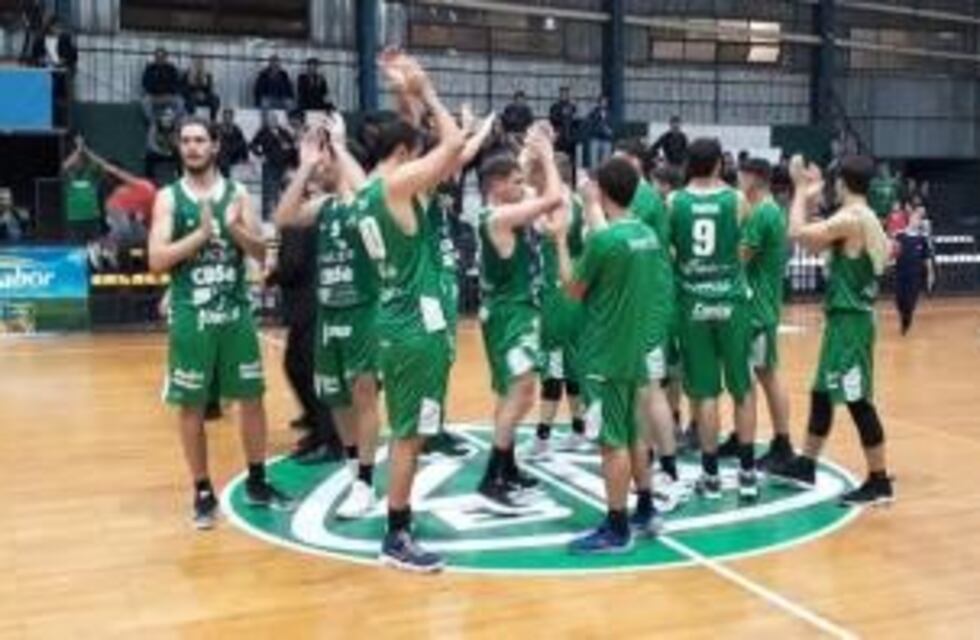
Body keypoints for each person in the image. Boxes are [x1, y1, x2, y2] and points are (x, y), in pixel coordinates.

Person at [148, 116, 294, 529]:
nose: (192, 147)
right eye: (186, 141)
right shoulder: (169, 198)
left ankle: (258, 480)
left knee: (252, 398)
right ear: (179, 148)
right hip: (192, 316)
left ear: (215, 146)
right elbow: (157, 260)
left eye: (200, 140)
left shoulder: (237, 194)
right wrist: (199, 236)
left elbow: (262, 255)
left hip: (234, 314)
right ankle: (202, 490)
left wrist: (232, 229)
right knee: (191, 404)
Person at [351, 50, 464, 570]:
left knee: (410, 430)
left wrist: (406, 94)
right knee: (410, 435)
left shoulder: (367, 189)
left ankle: (399, 520)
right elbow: (454, 145)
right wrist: (429, 91)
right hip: (415, 326)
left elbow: (419, 142)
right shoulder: (398, 185)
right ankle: (397, 535)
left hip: (395, 318)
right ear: (403, 152)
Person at [545, 157, 668, 553]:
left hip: (603, 355)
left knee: (610, 441)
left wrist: (560, 240)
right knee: (632, 431)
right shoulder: (645, 234)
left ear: (601, 191)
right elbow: (611, 248)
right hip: (634, 349)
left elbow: (571, 288)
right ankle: (645, 507)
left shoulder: (604, 241)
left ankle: (616, 527)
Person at [770, 155, 894, 506]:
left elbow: (797, 234)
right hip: (844, 320)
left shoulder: (853, 218)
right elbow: (815, 239)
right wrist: (809, 197)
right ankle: (806, 464)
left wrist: (799, 190)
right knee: (822, 393)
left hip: (851, 323)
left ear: (842, 183)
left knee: (857, 401)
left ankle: (879, 481)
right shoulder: (860, 217)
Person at [475, 126, 563, 508]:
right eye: (515, 181)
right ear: (496, 185)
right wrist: (546, 155)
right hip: (511, 314)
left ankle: (507, 466)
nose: (523, 184)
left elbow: (524, 180)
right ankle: (492, 474)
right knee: (523, 390)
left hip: (513, 310)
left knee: (512, 391)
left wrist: (531, 145)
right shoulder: (500, 217)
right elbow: (554, 196)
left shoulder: (504, 205)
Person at [669, 138, 758, 500]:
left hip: (693, 302)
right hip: (732, 301)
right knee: (743, 387)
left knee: (704, 393)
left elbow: (670, 249)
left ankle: (710, 476)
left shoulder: (675, 201)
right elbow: (742, 244)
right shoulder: (735, 199)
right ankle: (748, 473)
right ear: (720, 164)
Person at [614, 139, 684, 509]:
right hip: (648, 297)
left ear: (635, 164)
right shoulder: (646, 197)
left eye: (619, 161)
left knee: (650, 386)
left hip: (651, 303)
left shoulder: (639, 197)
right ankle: (657, 461)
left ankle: (667, 467)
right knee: (647, 385)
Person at [736, 158, 793, 469]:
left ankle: (783, 442)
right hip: (756, 307)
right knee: (757, 374)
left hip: (759, 310)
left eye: (741, 176)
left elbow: (738, 258)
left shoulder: (763, 213)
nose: (737, 182)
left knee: (766, 375)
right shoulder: (763, 210)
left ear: (755, 179)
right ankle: (744, 435)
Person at [530, 152, 587, 458]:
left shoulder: (559, 205)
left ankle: (542, 438)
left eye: (536, 173)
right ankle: (580, 428)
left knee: (553, 366)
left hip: (559, 295)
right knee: (571, 364)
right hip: (570, 293)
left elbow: (549, 229)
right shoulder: (575, 201)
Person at [893, 205, 935, 335]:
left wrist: (930, 274)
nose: (915, 221)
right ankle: (903, 316)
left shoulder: (922, 239)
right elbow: (892, 251)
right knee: (899, 300)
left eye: (918, 220)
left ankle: (907, 321)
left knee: (910, 302)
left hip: (915, 276)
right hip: (900, 274)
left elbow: (927, 259)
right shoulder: (899, 235)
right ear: (909, 220)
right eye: (913, 219)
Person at [250, 111, 298, 219]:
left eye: (274, 119)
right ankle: (266, 216)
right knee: (269, 191)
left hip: (283, 165)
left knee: (283, 191)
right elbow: (252, 145)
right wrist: (261, 155)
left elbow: (291, 145)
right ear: (267, 121)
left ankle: (282, 215)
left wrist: (289, 149)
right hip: (269, 165)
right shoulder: (263, 132)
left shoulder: (283, 132)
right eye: (270, 120)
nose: (273, 122)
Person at [142, 48, 184, 121]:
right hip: (154, 96)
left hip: (168, 95)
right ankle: (153, 122)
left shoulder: (171, 69)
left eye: (162, 57)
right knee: (145, 101)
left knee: (180, 101)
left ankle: (174, 121)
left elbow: (176, 84)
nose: (160, 59)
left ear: (166, 57)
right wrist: (154, 92)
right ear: (155, 57)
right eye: (158, 57)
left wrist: (169, 93)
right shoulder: (150, 69)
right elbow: (145, 84)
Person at [182, 55, 220, 121]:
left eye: (200, 63)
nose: (198, 65)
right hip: (191, 96)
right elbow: (183, 89)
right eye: (196, 63)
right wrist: (195, 94)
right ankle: (192, 118)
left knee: (215, 99)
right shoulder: (186, 74)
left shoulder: (208, 75)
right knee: (189, 101)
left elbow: (210, 89)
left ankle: (213, 120)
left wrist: (204, 95)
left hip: (204, 96)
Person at [216, 109, 249, 177]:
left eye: (229, 117)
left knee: (241, 143)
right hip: (221, 154)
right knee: (222, 156)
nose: (227, 119)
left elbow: (243, 143)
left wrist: (245, 157)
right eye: (225, 117)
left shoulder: (236, 129)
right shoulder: (218, 128)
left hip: (233, 154)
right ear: (223, 118)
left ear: (232, 118)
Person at [549, 87, 577, 159]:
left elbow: (574, 119)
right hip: (559, 134)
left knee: (570, 156)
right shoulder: (555, 106)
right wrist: (562, 114)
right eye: (563, 94)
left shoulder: (571, 106)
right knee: (558, 155)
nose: (564, 96)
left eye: (566, 94)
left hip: (569, 135)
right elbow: (553, 119)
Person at [585, 95, 613, 168]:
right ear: (599, 102)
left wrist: (610, 130)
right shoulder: (594, 112)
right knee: (594, 160)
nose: (604, 103)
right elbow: (589, 123)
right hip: (595, 137)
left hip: (606, 139)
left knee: (606, 160)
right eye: (602, 101)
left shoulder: (610, 112)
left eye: (606, 102)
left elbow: (613, 124)